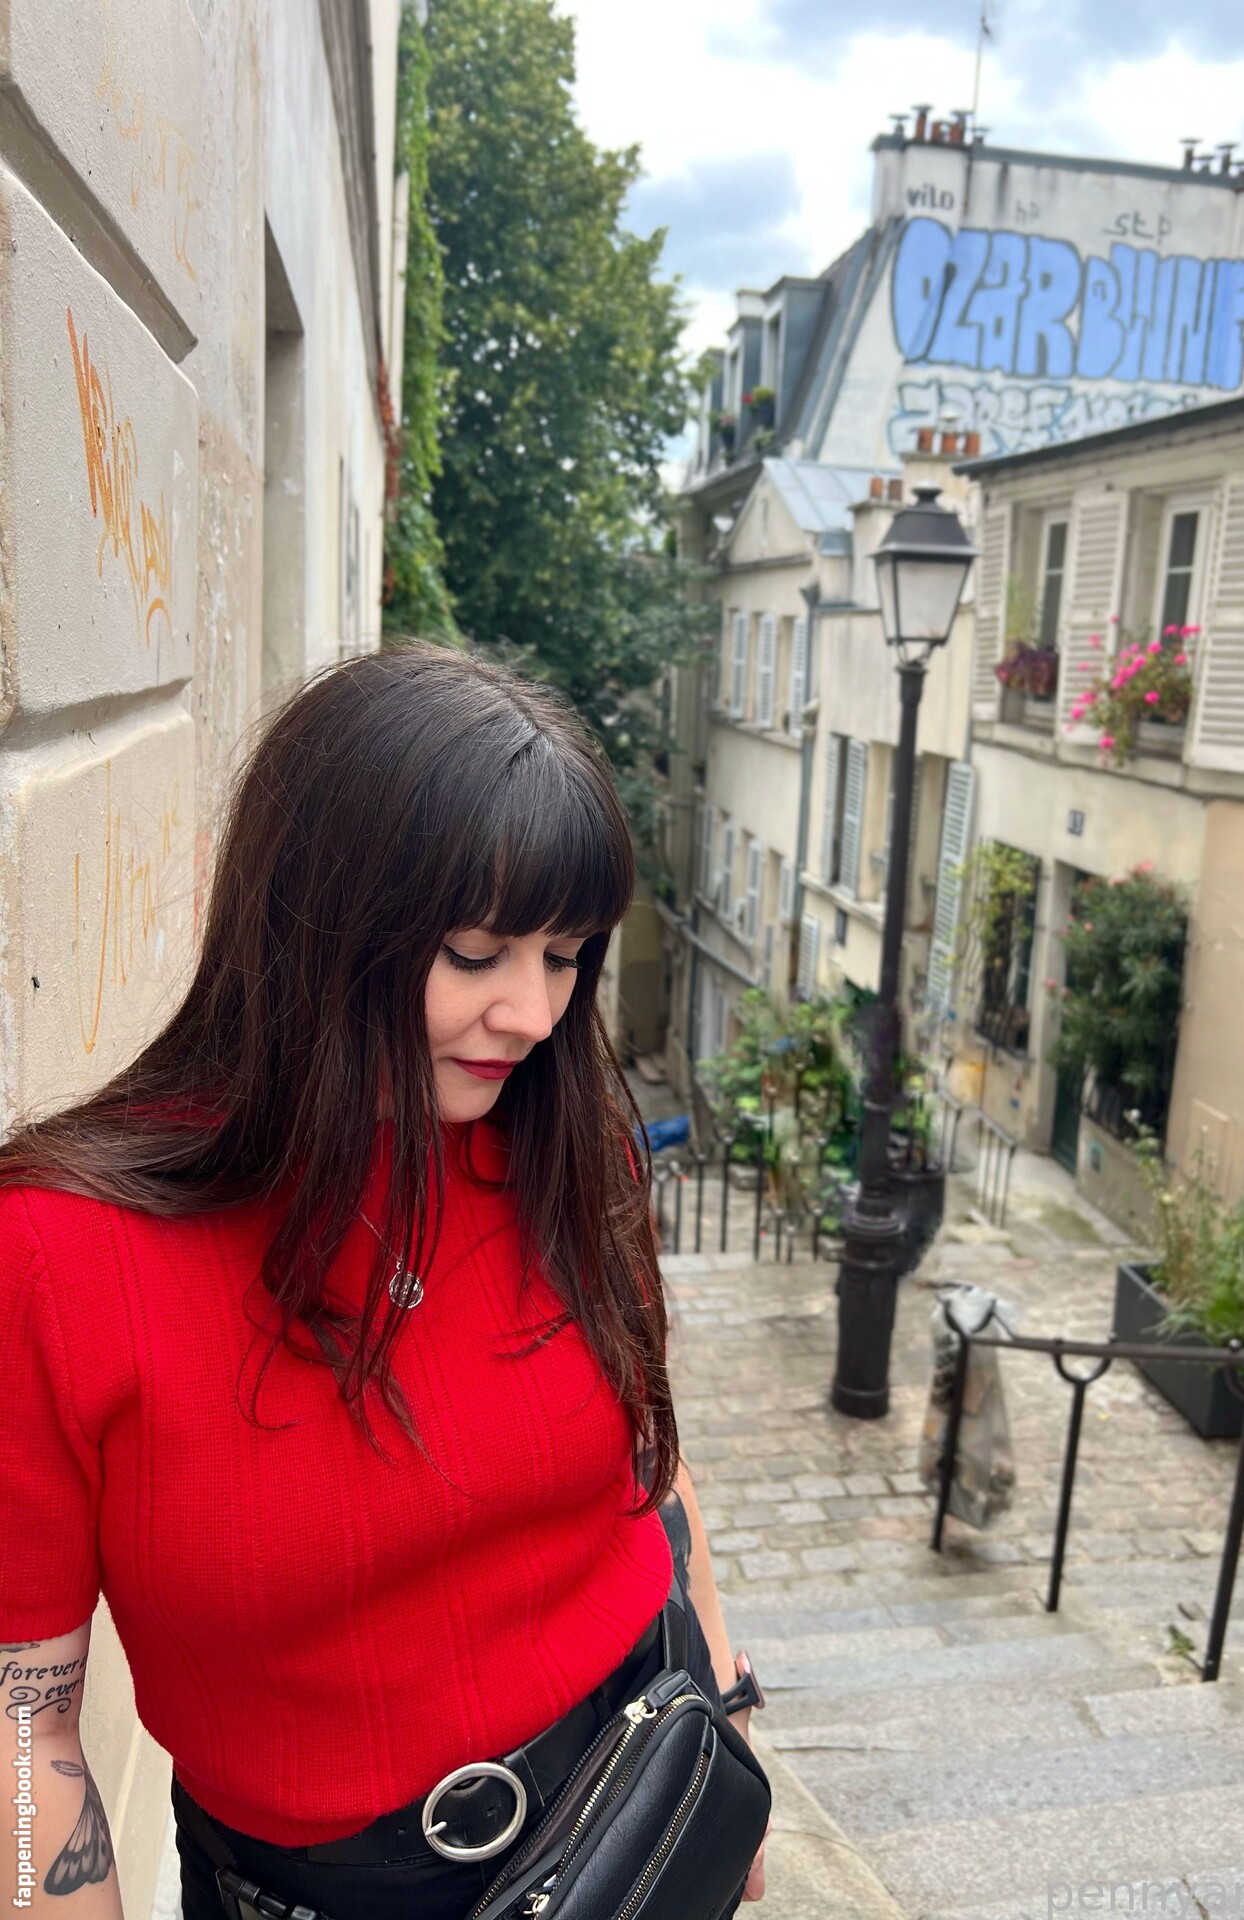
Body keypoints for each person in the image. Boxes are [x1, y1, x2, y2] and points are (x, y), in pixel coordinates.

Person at [0, 643, 768, 1920]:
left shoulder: (567, 1142)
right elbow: (27, 1726)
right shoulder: (58, 1254)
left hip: (645, 1793)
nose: (533, 1013)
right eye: (477, 952)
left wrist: (727, 1724)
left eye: (566, 954)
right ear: (316, 922)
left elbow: (650, 1459)